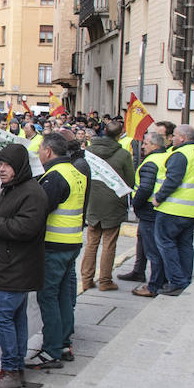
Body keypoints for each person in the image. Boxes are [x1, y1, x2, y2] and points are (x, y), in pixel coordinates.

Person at [0, 143, 47, 388]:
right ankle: (14, 368)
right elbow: (7, 213)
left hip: (16, 268)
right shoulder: (14, 189)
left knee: (2, 317)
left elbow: (23, 228)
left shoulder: (32, 193)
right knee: (15, 317)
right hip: (11, 266)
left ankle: (12, 371)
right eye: (0, 165)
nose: (2, 170)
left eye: (6, 165)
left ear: (19, 166)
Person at [26, 133, 90, 368]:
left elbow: (40, 210)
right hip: (71, 242)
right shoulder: (76, 171)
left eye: (40, 149)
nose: (39, 153)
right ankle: (63, 342)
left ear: (49, 151)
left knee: (48, 296)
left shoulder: (54, 176)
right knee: (64, 294)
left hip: (54, 244)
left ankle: (52, 349)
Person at [152, 124, 194, 295]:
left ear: (183, 138)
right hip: (193, 209)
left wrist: (158, 198)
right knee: (185, 244)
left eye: (175, 136)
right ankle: (185, 278)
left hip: (174, 208)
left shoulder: (181, 154)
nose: (172, 139)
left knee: (166, 243)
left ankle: (177, 281)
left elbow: (172, 180)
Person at [78, 120, 134, 293]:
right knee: (109, 243)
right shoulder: (123, 155)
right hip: (113, 203)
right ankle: (105, 280)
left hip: (92, 201)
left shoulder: (88, 151)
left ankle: (86, 280)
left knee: (91, 242)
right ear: (119, 135)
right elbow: (130, 181)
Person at [129, 131, 173, 297]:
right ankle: (162, 280)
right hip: (162, 209)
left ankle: (154, 286)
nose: (144, 147)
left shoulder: (151, 161)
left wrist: (135, 203)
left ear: (155, 145)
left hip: (149, 210)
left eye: (146, 143)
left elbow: (145, 187)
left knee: (153, 251)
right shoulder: (167, 157)